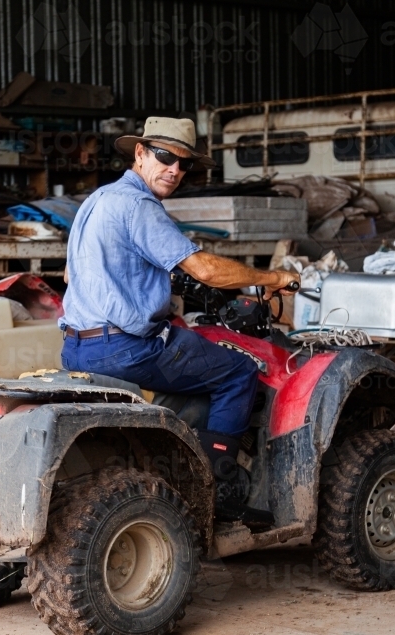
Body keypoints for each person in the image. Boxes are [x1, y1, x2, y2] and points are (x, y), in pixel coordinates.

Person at [60, 116, 299, 528]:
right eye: (165, 156)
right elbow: (205, 269)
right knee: (238, 372)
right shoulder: (140, 206)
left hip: (76, 347)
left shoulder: (96, 201)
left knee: (189, 353)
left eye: (184, 163)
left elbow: (72, 277)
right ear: (140, 153)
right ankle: (218, 488)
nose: (174, 169)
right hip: (126, 349)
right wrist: (274, 278)